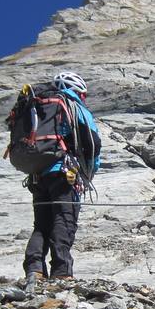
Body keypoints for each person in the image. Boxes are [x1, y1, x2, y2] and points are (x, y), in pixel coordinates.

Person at [23, 71, 101, 289]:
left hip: (37, 175)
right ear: (78, 91)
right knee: (64, 220)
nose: (84, 98)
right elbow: (93, 143)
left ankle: (34, 269)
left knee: (41, 224)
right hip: (64, 172)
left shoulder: (38, 108)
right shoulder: (73, 104)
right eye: (83, 94)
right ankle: (62, 272)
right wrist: (89, 173)